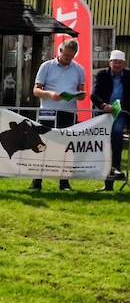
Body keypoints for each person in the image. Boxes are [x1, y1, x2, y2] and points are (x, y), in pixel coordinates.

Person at [30, 39, 85, 191]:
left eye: (71, 56)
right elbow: (36, 90)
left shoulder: (79, 69)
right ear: (60, 51)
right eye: (65, 55)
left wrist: (80, 95)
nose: (67, 59)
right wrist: (49, 94)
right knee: (41, 145)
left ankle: (64, 182)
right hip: (47, 111)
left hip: (68, 112)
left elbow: (82, 93)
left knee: (66, 148)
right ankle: (36, 181)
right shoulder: (46, 66)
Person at [91, 49, 130, 191]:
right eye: (115, 62)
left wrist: (124, 108)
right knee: (103, 145)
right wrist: (103, 105)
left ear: (124, 63)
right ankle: (108, 182)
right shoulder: (102, 75)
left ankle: (116, 170)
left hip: (121, 114)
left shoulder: (129, 76)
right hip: (104, 114)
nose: (117, 65)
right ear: (110, 63)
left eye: (120, 62)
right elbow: (94, 95)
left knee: (116, 136)